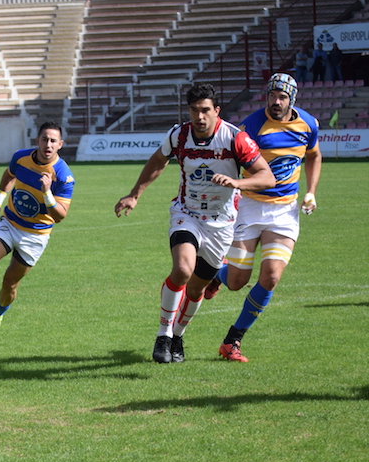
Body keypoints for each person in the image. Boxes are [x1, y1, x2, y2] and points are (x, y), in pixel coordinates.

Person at [114, 83, 275, 363]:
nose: (199, 117)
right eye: (193, 110)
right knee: (183, 268)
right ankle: (163, 336)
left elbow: (266, 177)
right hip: (186, 214)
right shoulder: (179, 135)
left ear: (216, 111)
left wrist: (237, 182)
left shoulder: (235, 138)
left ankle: (177, 336)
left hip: (222, 225)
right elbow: (158, 161)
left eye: (204, 110)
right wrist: (134, 194)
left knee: (198, 288)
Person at [204, 73, 321, 362]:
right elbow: (234, 163)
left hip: (284, 211)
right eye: (272, 96)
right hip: (250, 207)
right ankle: (218, 274)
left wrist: (312, 192)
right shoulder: (252, 127)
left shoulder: (308, 124)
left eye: (282, 97)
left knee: (270, 277)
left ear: (292, 99)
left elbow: (314, 156)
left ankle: (232, 341)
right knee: (236, 281)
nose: (276, 102)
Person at [0, 121, 74, 330]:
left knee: (10, 282)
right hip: (10, 223)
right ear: (37, 140)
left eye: (53, 141)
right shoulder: (21, 157)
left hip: (35, 236)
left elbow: (61, 216)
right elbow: (9, 175)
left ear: (60, 144)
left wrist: (47, 192)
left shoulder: (63, 176)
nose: (48, 144)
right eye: (44, 139)